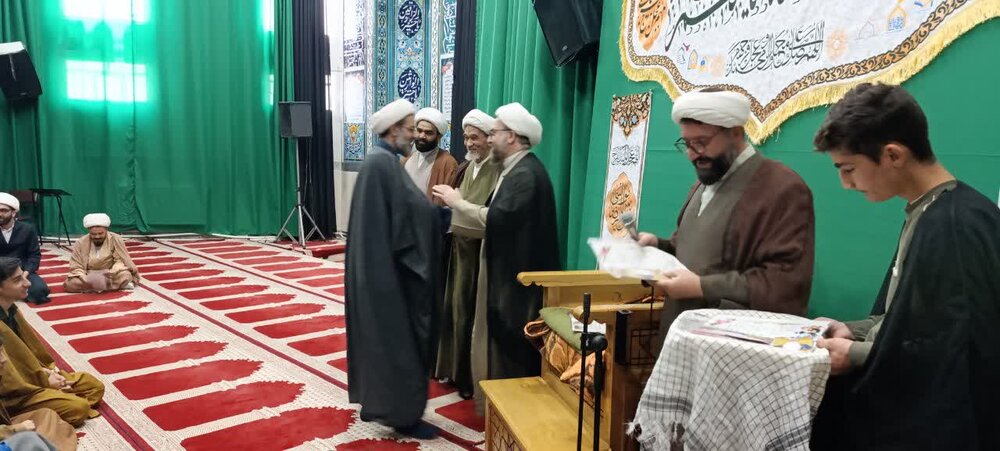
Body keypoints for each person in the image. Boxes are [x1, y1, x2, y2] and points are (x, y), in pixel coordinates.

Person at [809, 83, 1000, 450]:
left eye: (848, 168)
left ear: (893, 155)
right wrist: (855, 331)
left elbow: (953, 354)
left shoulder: (954, 226)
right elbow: (912, 321)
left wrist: (854, 354)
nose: (845, 184)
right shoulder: (930, 211)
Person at [634, 88, 815, 351]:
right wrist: (657, 246)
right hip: (683, 340)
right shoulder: (703, 183)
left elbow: (783, 284)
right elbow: (690, 252)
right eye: (687, 143)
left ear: (736, 133)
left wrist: (701, 287)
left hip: (734, 350)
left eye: (701, 142)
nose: (693, 154)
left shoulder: (783, 188)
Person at [433, 102, 560, 408]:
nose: (490, 139)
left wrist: (457, 202)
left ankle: (512, 413)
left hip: (518, 285)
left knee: (512, 349)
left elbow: (497, 219)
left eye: (495, 132)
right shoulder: (515, 170)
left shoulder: (526, 174)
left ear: (512, 136)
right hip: (509, 277)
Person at [345, 98, 446, 439]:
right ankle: (403, 416)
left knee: (383, 343)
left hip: (378, 272)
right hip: (386, 277)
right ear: (393, 130)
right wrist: (442, 217)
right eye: (410, 128)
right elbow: (411, 215)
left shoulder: (380, 161)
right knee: (400, 343)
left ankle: (383, 404)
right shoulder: (383, 164)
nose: (413, 135)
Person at [432, 109, 502, 399]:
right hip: (458, 252)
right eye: (466, 137)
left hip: (480, 256)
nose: (470, 143)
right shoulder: (465, 168)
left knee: (471, 315)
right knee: (454, 310)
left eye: (475, 137)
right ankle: (451, 369)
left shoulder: (498, 171)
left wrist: (457, 204)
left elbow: (490, 216)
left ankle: (468, 379)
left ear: (489, 139)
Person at [0, 257, 105, 427]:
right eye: (18, 280)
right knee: (78, 408)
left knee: (93, 385)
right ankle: (21, 418)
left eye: (24, 277)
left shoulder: (11, 309)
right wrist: (46, 382)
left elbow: (30, 356)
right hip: (13, 394)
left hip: (34, 376)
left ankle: (53, 399)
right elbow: (7, 380)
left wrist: (50, 373)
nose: (27, 283)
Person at [1, 337, 78, 451]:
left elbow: (30, 360)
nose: (4, 359)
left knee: (47, 415)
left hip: (10, 414)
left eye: (2, 351)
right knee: (29, 439)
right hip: (17, 400)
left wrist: (48, 374)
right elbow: (16, 387)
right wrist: (16, 429)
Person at [63, 214, 139, 293]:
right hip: (89, 275)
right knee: (70, 283)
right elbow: (76, 265)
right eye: (93, 234)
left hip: (110, 274)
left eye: (100, 233)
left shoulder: (115, 239)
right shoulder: (80, 242)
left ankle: (94, 287)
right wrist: (86, 278)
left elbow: (120, 260)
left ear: (106, 230)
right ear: (89, 231)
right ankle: (113, 286)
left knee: (126, 275)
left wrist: (111, 272)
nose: (97, 236)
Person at [402, 107, 458, 205]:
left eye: (428, 133)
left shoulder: (448, 163)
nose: (422, 136)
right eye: (419, 130)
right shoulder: (407, 158)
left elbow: (450, 204)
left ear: (439, 136)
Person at [0, 194, 49, 305]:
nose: (0, 214)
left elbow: (34, 255)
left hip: (22, 271)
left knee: (39, 291)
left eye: (3, 210)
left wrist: (23, 275)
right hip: (0, 272)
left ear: (13, 213)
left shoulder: (27, 229)